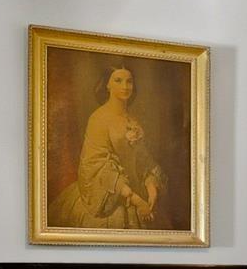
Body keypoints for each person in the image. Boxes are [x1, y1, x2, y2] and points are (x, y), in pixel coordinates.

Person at [48, 62, 166, 228]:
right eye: (118, 80)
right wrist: (137, 201)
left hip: (138, 189)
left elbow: (143, 159)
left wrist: (151, 186)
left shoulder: (133, 120)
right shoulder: (98, 119)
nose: (125, 86)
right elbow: (97, 165)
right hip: (114, 195)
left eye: (129, 81)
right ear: (107, 85)